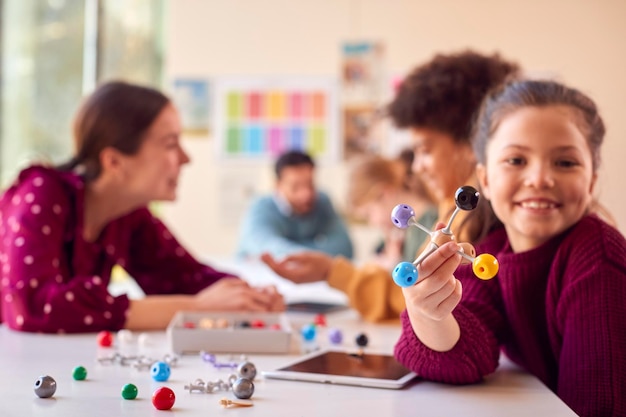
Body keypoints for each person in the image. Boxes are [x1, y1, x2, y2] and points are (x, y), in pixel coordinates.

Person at [394, 79, 626, 417]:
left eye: (565, 163)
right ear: (484, 180)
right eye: (516, 160)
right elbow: (469, 358)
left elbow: (599, 406)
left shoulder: (597, 258)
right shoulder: (491, 253)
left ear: (591, 180)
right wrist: (428, 313)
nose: (539, 179)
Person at [0, 81, 284, 334]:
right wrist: (195, 306)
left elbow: (183, 277)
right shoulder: (42, 192)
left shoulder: (129, 215)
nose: (186, 158)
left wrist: (249, 295)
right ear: (114, 162)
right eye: (170, 144)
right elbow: (33, 307)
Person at [261, 50, 520, 322]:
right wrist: (330, 271)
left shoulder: (477, 219)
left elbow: (412, 302)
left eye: (425, 150)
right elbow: (409, 291)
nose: (417, 166)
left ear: (470, 143)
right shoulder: (454, 207)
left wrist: (333, 272)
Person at [235, 150, 353, 259]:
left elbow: (344, 248)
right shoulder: (261, 207)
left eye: (310, 184)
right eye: (295, 187)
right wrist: (319, 253)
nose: (305, 194)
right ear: (277, 185)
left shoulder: (322, 201)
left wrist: (291, 251)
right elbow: (266, 250)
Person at [347, 150, 436, 269]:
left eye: (369, 214)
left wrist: (393, 264)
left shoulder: (427, 227)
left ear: (385, 194)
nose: (373, 223)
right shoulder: (405, 231)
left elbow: (414, 282)